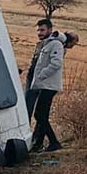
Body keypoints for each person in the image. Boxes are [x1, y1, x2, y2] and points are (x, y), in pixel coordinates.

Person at [26, 18, 64, 152]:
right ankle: (39, 144)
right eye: (38, 30)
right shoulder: (44, 44)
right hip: (43, 85)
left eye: (42, 30)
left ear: (49, 29)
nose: (39, 33)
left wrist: (41, 75)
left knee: (39, 115)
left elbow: (56, 63)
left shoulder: (56, 45)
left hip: (49, 85)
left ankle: (54, 142)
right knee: (42, 115)